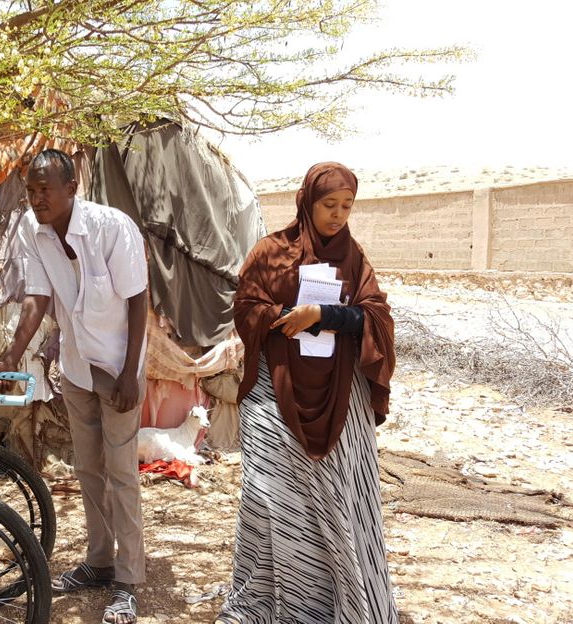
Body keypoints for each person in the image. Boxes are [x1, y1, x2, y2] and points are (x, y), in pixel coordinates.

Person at [216, 162, 397, 624]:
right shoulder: (271, 251)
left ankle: (342, 605)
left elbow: (376, 316)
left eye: (347, 206)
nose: (338, 215)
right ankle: (275, 602)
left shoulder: (353, 257)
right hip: (275, 391)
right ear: (307, 202)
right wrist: (284, 316)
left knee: (338, 498)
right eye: (329, 205)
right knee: (270, 495)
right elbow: (246, 307)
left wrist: (322, 315)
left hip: (339, 396)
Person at [0, 149, 148, 624]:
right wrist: (10, 356)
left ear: (72, 187)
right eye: (31, 191)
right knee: (88, 468)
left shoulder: (111, 228)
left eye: (45, 190)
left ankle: (128, 580)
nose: (37, 199)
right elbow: (37, 298)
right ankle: (99, 561)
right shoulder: (32, 230)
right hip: (77, 367)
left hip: (118, 366)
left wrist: (130, 374)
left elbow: (139, 301)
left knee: (122, 472)